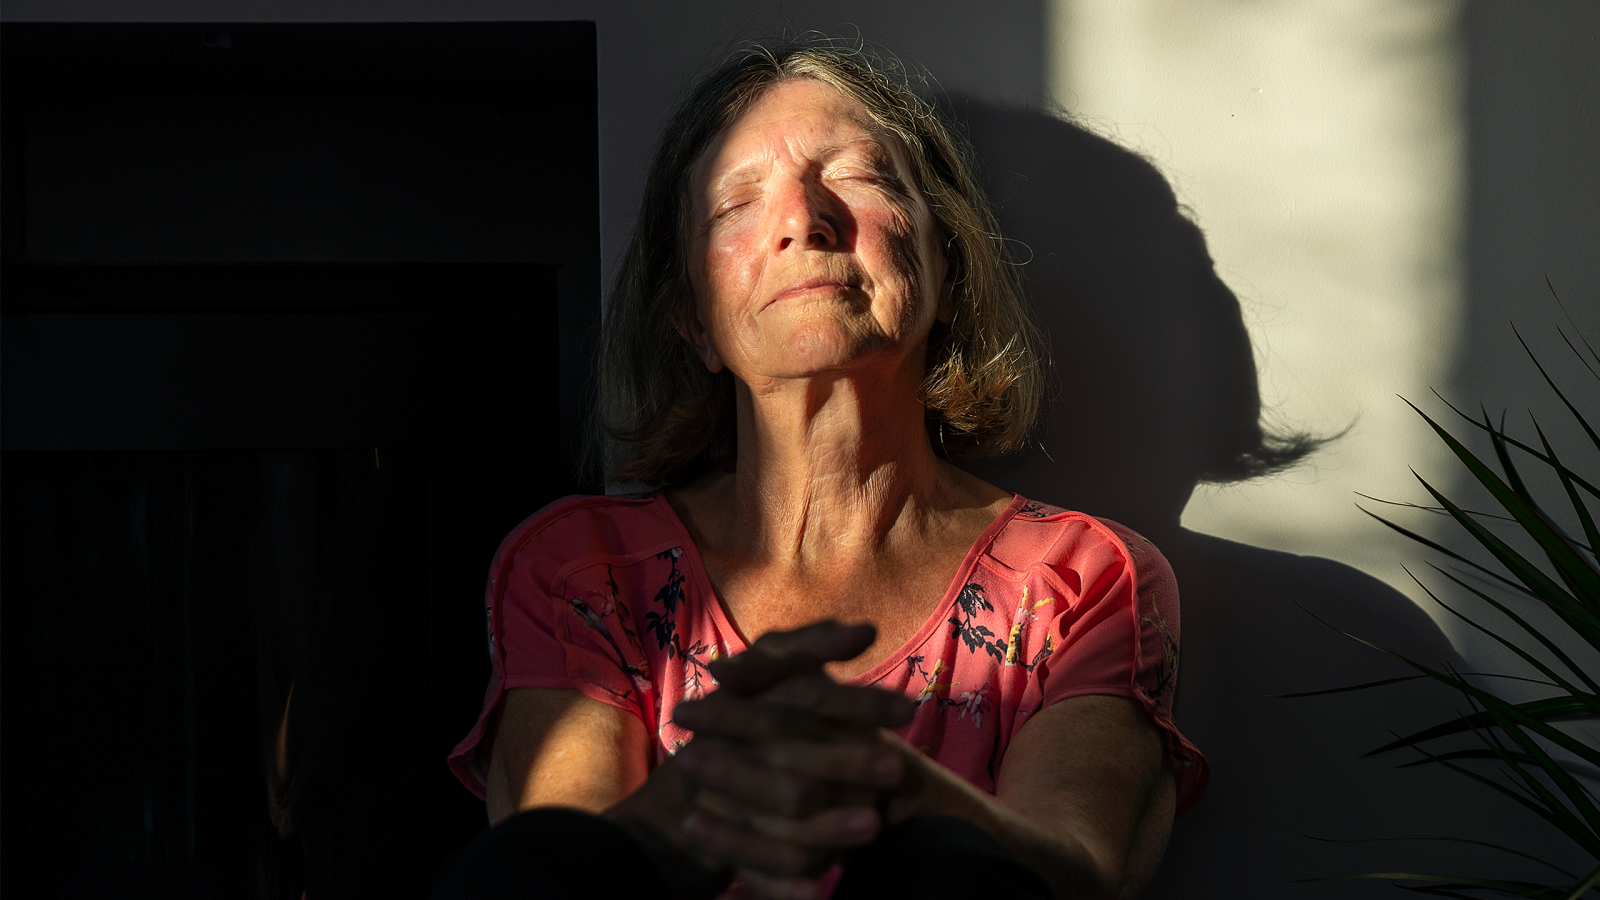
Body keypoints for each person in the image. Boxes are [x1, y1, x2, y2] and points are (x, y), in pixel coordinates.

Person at [436, 39, 1207, 900]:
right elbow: (557, 878)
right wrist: (708, 789)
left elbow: (1083, 874)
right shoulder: (581, 568)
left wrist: (898, 792)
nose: (804, 219)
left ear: (948, 272)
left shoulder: (1080, 579)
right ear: (691, 319)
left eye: (860, 176)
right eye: (736, 201)